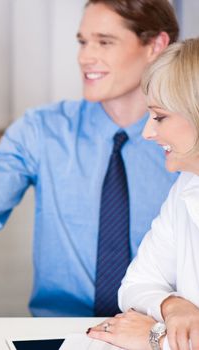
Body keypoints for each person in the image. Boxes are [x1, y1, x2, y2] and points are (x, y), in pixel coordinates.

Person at [0, 0, 180, 317]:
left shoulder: (186, 142)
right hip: (61, 331)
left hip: (162, 332)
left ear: (156, 45)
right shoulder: (42, 129)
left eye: (104, 42)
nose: (85, 57)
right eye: (83, 42)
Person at [87, 38, 199, 350]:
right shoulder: (187, 187)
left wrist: (157, 339)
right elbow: (134, 285)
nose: (148, 132)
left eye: (160, 116)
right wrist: (172, 305)